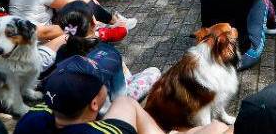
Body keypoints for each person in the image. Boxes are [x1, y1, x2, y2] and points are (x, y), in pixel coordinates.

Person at [14, 56, 169, 134]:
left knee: (124, 101)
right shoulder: (104, 132)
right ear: (94, 104)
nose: (105, 83)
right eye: (102, 81)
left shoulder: (31, 118)